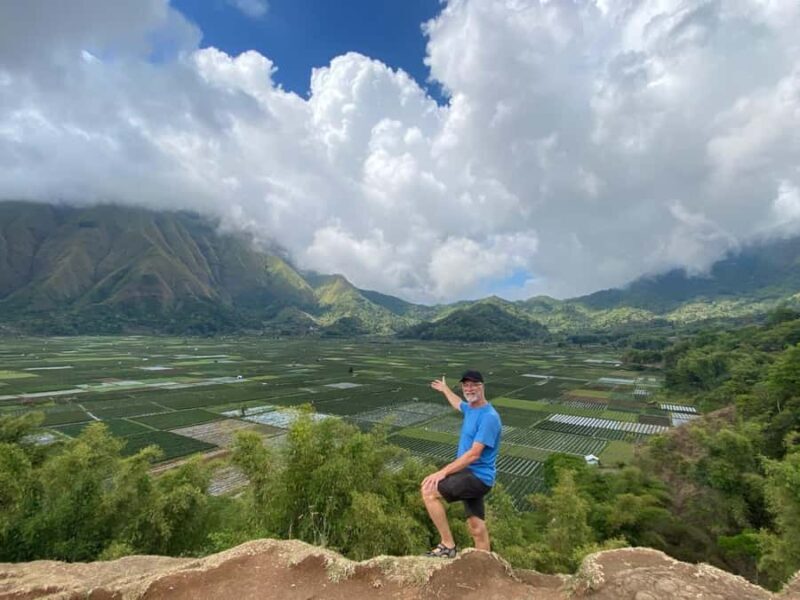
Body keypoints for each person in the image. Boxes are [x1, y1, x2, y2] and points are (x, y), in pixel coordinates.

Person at [421, 369, 502, 558]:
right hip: (471, 475)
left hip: (476, 477)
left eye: (474, 384)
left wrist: (443, 472)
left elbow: (474, 454)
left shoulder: (489, 417)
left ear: (482, 387)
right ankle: (485, 563)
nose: (469, 388)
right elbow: (459, 404)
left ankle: (447, 545)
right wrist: (445, 389)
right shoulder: (471, 409)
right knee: (476, 527)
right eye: (466, 385)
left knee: (428, 491)